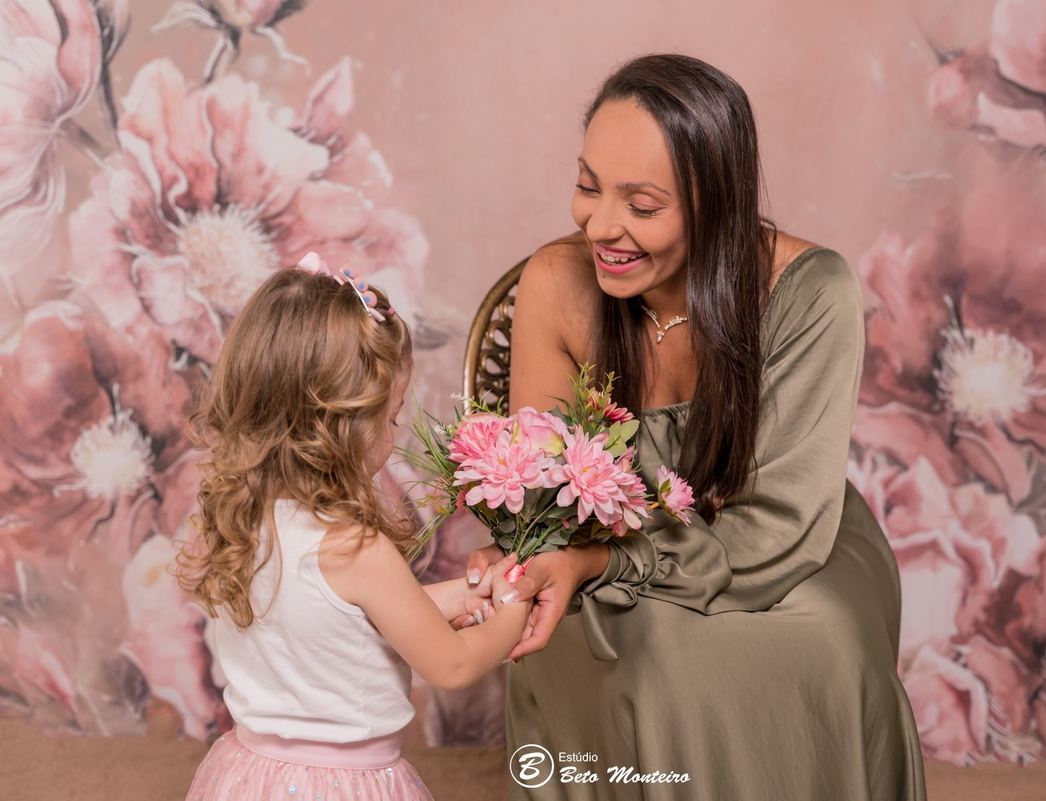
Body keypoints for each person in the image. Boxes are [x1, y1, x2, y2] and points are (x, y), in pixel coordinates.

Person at [462, 54, 928, 800]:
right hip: (603, 554)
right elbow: (541, 499)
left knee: (833, 642)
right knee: (645, 648)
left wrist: (605, 565)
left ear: (716, 205)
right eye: (588, 185)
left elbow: (780, 522)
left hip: (782, 541)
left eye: (641, 205)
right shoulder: (556, 282)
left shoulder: (810, 292)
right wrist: (538, 547)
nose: (600, 224)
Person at [174, 253, 530, 801]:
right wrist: (514, 607)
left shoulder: (246, 515)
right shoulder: (355, 546)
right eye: (389, 419)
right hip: (343, 784)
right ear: (337, 427)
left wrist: (465, 594)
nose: (394, 437)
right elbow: (452, 663)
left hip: (252, 774)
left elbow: (345, 625)